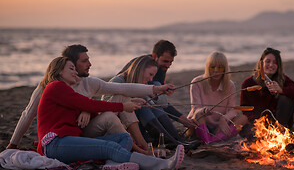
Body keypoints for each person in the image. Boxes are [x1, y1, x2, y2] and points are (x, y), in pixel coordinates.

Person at [6, 44, 174, 150]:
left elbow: (122, 87)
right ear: (70, 64)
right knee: (118, 106)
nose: (90, 64)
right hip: (66, 137)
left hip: (87, 130)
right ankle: (139, 149)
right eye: (84, 61)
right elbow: (28, 114)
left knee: (121, 96)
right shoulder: (48, 87)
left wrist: (156, 89)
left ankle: (141, 146)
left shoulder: (89, 83)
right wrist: (13, 144)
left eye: (89, 60)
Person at [37, 56, 184, 170]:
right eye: (71, 69)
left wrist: (88, 110)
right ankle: (161, 165)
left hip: (69, 140)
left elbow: (89, 106)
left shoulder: (66, 91)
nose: (76, 72)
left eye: (75, 69)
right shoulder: (55, 87)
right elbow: (88, 103)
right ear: (58, 71)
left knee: (124, 137)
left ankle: (112, 164)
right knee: (108, 147)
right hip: (55, 144)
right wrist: (122, 106)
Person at [103, 55, 193, 148]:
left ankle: (177, 140)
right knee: (142, 107)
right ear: (140, 70)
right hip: (117, 125)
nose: (150, 79)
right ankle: (170, 142)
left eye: (153, 76)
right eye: (150, 75)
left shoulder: (138, 82)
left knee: (154, 106)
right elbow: (108, 108)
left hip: (135, 125)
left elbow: (162, 104)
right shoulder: (118, 81)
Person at [116, 40, 197, 142]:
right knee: (149, 104)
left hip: (142, 102)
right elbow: (123, 89)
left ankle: (177, 140)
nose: (168, 66)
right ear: (155, 56)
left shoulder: (160, 69)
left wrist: (183, 120)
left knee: (156, 104)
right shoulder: (141, 65)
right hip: (126, 106)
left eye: (171, 62)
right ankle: (173, 141)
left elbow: (161, 103)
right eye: (165, 61)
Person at [187, 51, 248, 144]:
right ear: (208, 68)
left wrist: (224, 119)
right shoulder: (196, 82)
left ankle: (214, 139)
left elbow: (233, 110)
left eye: (220, 68)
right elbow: (195, 108)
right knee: (198, 115)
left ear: (224, 69)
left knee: (243, 118)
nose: (215, 70)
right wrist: (203, 111)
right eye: (212, 67)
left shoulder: (230, 85)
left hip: (220, 126)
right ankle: (208, 142)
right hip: (200, 124)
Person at [240, 47, 294, 128]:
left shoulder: (282, 79)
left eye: (275, 62)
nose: (271, 65)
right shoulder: (248, 83)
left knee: (287, 97)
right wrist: (258, 122)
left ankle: (282, 131)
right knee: (245, 129)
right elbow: (244, 108)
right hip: (258, 125)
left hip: (278, 124)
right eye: (267, 61)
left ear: (278, 66)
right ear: (261, 63)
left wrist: (281, 90)